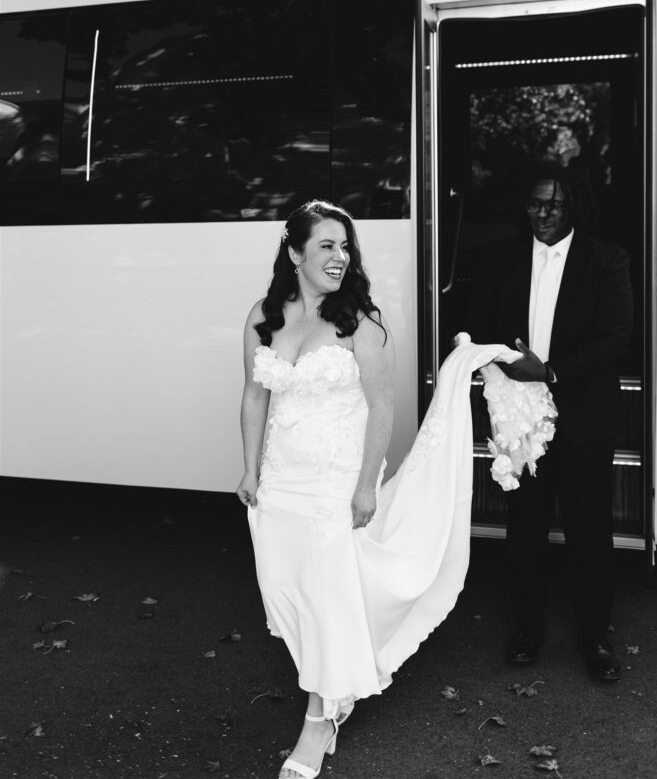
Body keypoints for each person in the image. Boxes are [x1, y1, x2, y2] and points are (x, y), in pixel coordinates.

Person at [237, 199, 520, 779]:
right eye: (327, 246)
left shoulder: (360, 324)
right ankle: (330, 687)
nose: (340, 257)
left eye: (346, 247)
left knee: (326, 597)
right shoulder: (262, 317)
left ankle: (318, 719)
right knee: (290, 593)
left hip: (334, 484)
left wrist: (367, 486)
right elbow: (254, 395)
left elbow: (382, 407)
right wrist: (249, 469)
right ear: (294, 253)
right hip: (280, 481)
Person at [467, 161, 634, 681]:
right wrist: (490, 363)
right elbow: (478, 326)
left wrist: (552, 371)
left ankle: (595, 638)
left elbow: (615, 339)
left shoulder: (607, 260)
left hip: (583, 417)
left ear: (573, 206)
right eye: (536, 203)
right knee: (525, 528)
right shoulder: (500, 260)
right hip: (521, 419)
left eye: (554, 204)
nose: (543, 212)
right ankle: (526, 628)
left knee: (589, 532)